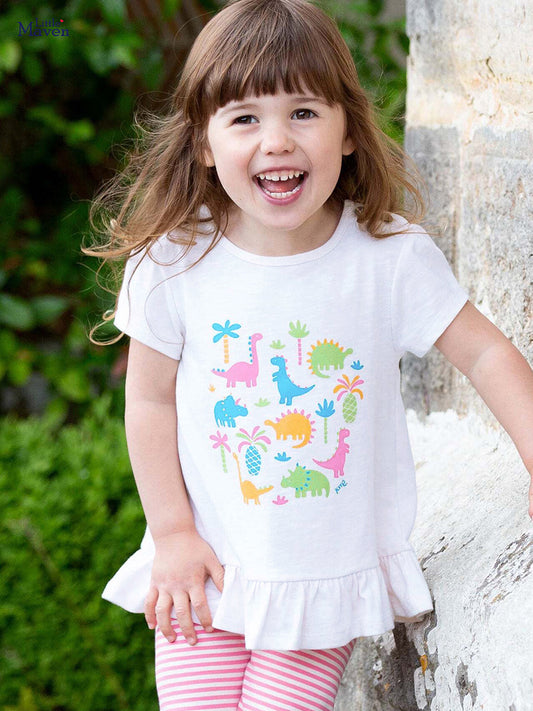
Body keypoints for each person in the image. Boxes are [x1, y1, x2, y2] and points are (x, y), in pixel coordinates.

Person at [86, 0, 533, 708]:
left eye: (302, 112)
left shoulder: (387, 257)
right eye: (244, 118)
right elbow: (148, 400)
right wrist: (171, 533)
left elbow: (484, 356)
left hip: (319, 579)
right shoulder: (173, 261)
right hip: (202, 568)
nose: (276, 141)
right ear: (203, 144)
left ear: (348, 130)